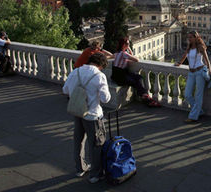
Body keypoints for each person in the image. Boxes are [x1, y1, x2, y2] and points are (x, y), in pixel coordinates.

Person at [63, 52, 111, 183]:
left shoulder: (76, 71)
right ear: (101, 65)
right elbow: (105, 99)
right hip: (93, 115)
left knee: (78, 141)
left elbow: (65, 90)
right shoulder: (99, 76)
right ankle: (95, 174)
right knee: (96, 144)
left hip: (78, 112)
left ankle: (80, 168)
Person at [111, 37, 161, 107]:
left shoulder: (117, 53)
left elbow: (130, 56)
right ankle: (145, 96)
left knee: (138, 78)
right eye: (128, 43)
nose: (128, 44)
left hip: (116, 75)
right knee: (136, 80)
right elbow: (136, 59)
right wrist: (128, 49)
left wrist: (128, 48)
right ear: (123, 45)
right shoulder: (124, 54)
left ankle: (144, 96)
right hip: (121, 77)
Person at [175, 31, 211, 124]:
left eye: (191, 37)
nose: (189, 39)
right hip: (191, 72)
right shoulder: (189, 47)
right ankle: (199, 111)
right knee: (187, 94)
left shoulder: (200, 47)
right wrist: (179, 63)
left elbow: (207, 60)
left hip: (199, 72)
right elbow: (184, 56)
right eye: (188, 37)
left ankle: (193, 116)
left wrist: (209, 70)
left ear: (196, 37)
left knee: (198, 95)